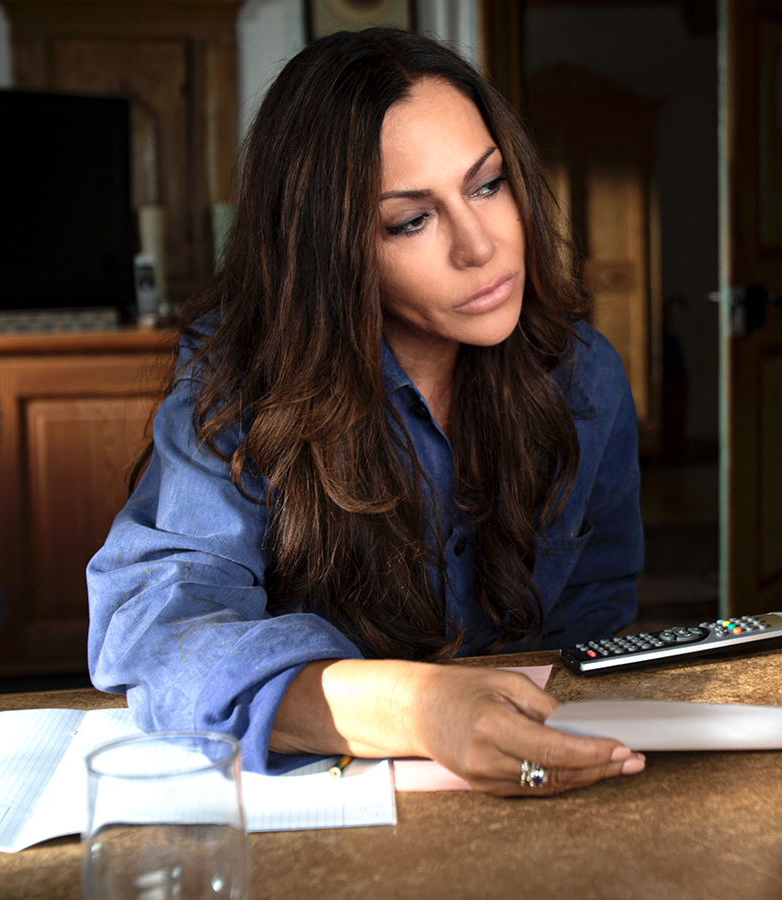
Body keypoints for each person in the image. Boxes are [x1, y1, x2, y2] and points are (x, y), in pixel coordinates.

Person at [87, 28, 647, 796]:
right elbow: (161, 634)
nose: (482, 247)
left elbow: (598, 619)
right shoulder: (240, 382)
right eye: (410, 221)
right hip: (329, 805)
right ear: (329, 250)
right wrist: (417, 708)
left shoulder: (585, 377)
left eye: (487, 185)